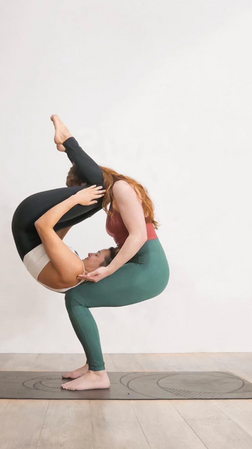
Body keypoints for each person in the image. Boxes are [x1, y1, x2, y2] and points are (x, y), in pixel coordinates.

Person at [47, 115, 170, 392]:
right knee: (77, 296)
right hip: (138, 264)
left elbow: (138, 236)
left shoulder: (121, 188)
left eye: (80, 189)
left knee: (76, 298)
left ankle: (98, 373)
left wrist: (109, 270)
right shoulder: (112, 196)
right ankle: (93, 365)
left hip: (149, 267)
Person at [11, 117, 120, 293]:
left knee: (104, 189)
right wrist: (83, 208)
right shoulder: (73, 279)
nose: (91, 253)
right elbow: (53, 239)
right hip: (29, 226)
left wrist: (75, 200)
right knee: (104, 197)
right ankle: (68, 148)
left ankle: (67, 140)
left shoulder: (74, 271)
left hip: (29, 219)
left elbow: (43, 226)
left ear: (100, 270)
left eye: (97, 256)